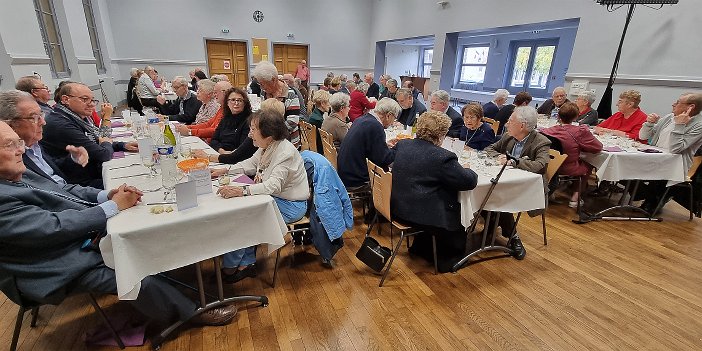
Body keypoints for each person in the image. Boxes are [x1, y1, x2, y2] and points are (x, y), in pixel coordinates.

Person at [0, 120, 239, 329]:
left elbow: (64, 190)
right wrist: (114, 207)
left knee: (142, 242)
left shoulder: (19, 173)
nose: (21, 150)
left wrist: (108, 195)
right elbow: (53, 227)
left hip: (72, 241)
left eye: (18, 142)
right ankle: (191, 312)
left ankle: (172, 292)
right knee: (131, 268)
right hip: (51, 264)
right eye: (10, 145)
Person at [212, 110, 309, 283]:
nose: (250, 134)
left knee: (245, 215)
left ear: (269, 134)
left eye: (253, 129)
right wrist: (225, 170)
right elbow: (250, 164)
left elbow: (273, 185)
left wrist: (242, 191)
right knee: (244, 211)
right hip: (276, 197)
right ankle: (245, 263)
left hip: (291, 204)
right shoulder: (268, 146)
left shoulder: (285, 152)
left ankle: (233, 266)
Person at [391, 110, 478, 272]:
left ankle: (422, 247)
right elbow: (468, 182)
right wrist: (469, 169)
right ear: (440, 135)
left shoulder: (404, 145)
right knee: (457, 210)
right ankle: (447, 258)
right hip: (423, 215)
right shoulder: (442, 156)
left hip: (398, 208)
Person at [484, 106, 551, 260]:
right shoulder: (509, 137)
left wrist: (513, 161)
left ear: (522, 126)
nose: (506, 124)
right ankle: (493, 227)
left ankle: (514, 238)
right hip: (506, 182)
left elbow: (540, 165)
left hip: (529, 189)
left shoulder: (541, 142)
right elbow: (489, 150)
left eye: (510, 120)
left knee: (499, 197)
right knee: (491, 192)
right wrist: (502, 157)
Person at [41, 83, 138, 188]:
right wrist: (106, 124)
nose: (91, 104)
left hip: (88, 172)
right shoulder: (62, 124)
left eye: (92, 100)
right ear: (65, 99)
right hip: (81, 183)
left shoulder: (75, 117)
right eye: (84, 99)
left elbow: (95, 142)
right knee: (136, 182)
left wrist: (122, 145)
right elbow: (103, 154)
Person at [0, 90, 88, 185]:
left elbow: (50, 169)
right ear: (10, 125)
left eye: (41, 115)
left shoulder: (34, 144)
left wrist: (73, 159)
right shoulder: (12, 161)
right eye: (35, 118)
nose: (43, 122)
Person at [637, 93, 702, 214]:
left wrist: (680, 125)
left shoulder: (699, 125)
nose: (673, 104)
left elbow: (676, 148)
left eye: (678, 102)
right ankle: (642, 195)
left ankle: (655, 200)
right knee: (627, 169)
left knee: (656, 179)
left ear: (690, 107)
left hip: (675, 163)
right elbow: (643, 136)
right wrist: (649, 123)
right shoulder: (669, 117)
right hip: (653, 156)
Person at [541, 102, 603, 208]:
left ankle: (554, 190)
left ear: (558, 116)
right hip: (567, 167)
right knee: (589, 164)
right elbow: (598, 147)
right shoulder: (580, 131)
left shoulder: (548, 130)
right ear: (576, 116)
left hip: (549, 165)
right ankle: (575, 198)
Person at [337, 97, 400, 188]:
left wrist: (383, 145)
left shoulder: (362, 119)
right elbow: (384, 159)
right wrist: (399, 147)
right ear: (388, 115)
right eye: (394, 118)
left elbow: (367, 146)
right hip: (356, 178)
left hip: (346, 172)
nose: (393, 122)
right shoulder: (375, 126)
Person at [253, 61, 302, 149]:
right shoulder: (264, 92)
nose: (261, 87)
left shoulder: (290, 94)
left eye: (263, 84)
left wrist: (272, 134)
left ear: (273, 80)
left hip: (287, 142)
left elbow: (293, 121)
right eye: (259, 84)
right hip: (268, 141)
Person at [208, 88, 256, 158]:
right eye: (233, 100)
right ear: (227, 103)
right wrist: (222, 151)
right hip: (221, 154)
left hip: (237, 158)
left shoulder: (250, 121)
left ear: (245, 103)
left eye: (240, 100)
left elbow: (243, 148)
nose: (236, 103)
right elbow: (214, 140)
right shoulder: (225, 119)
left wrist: (227, 155)